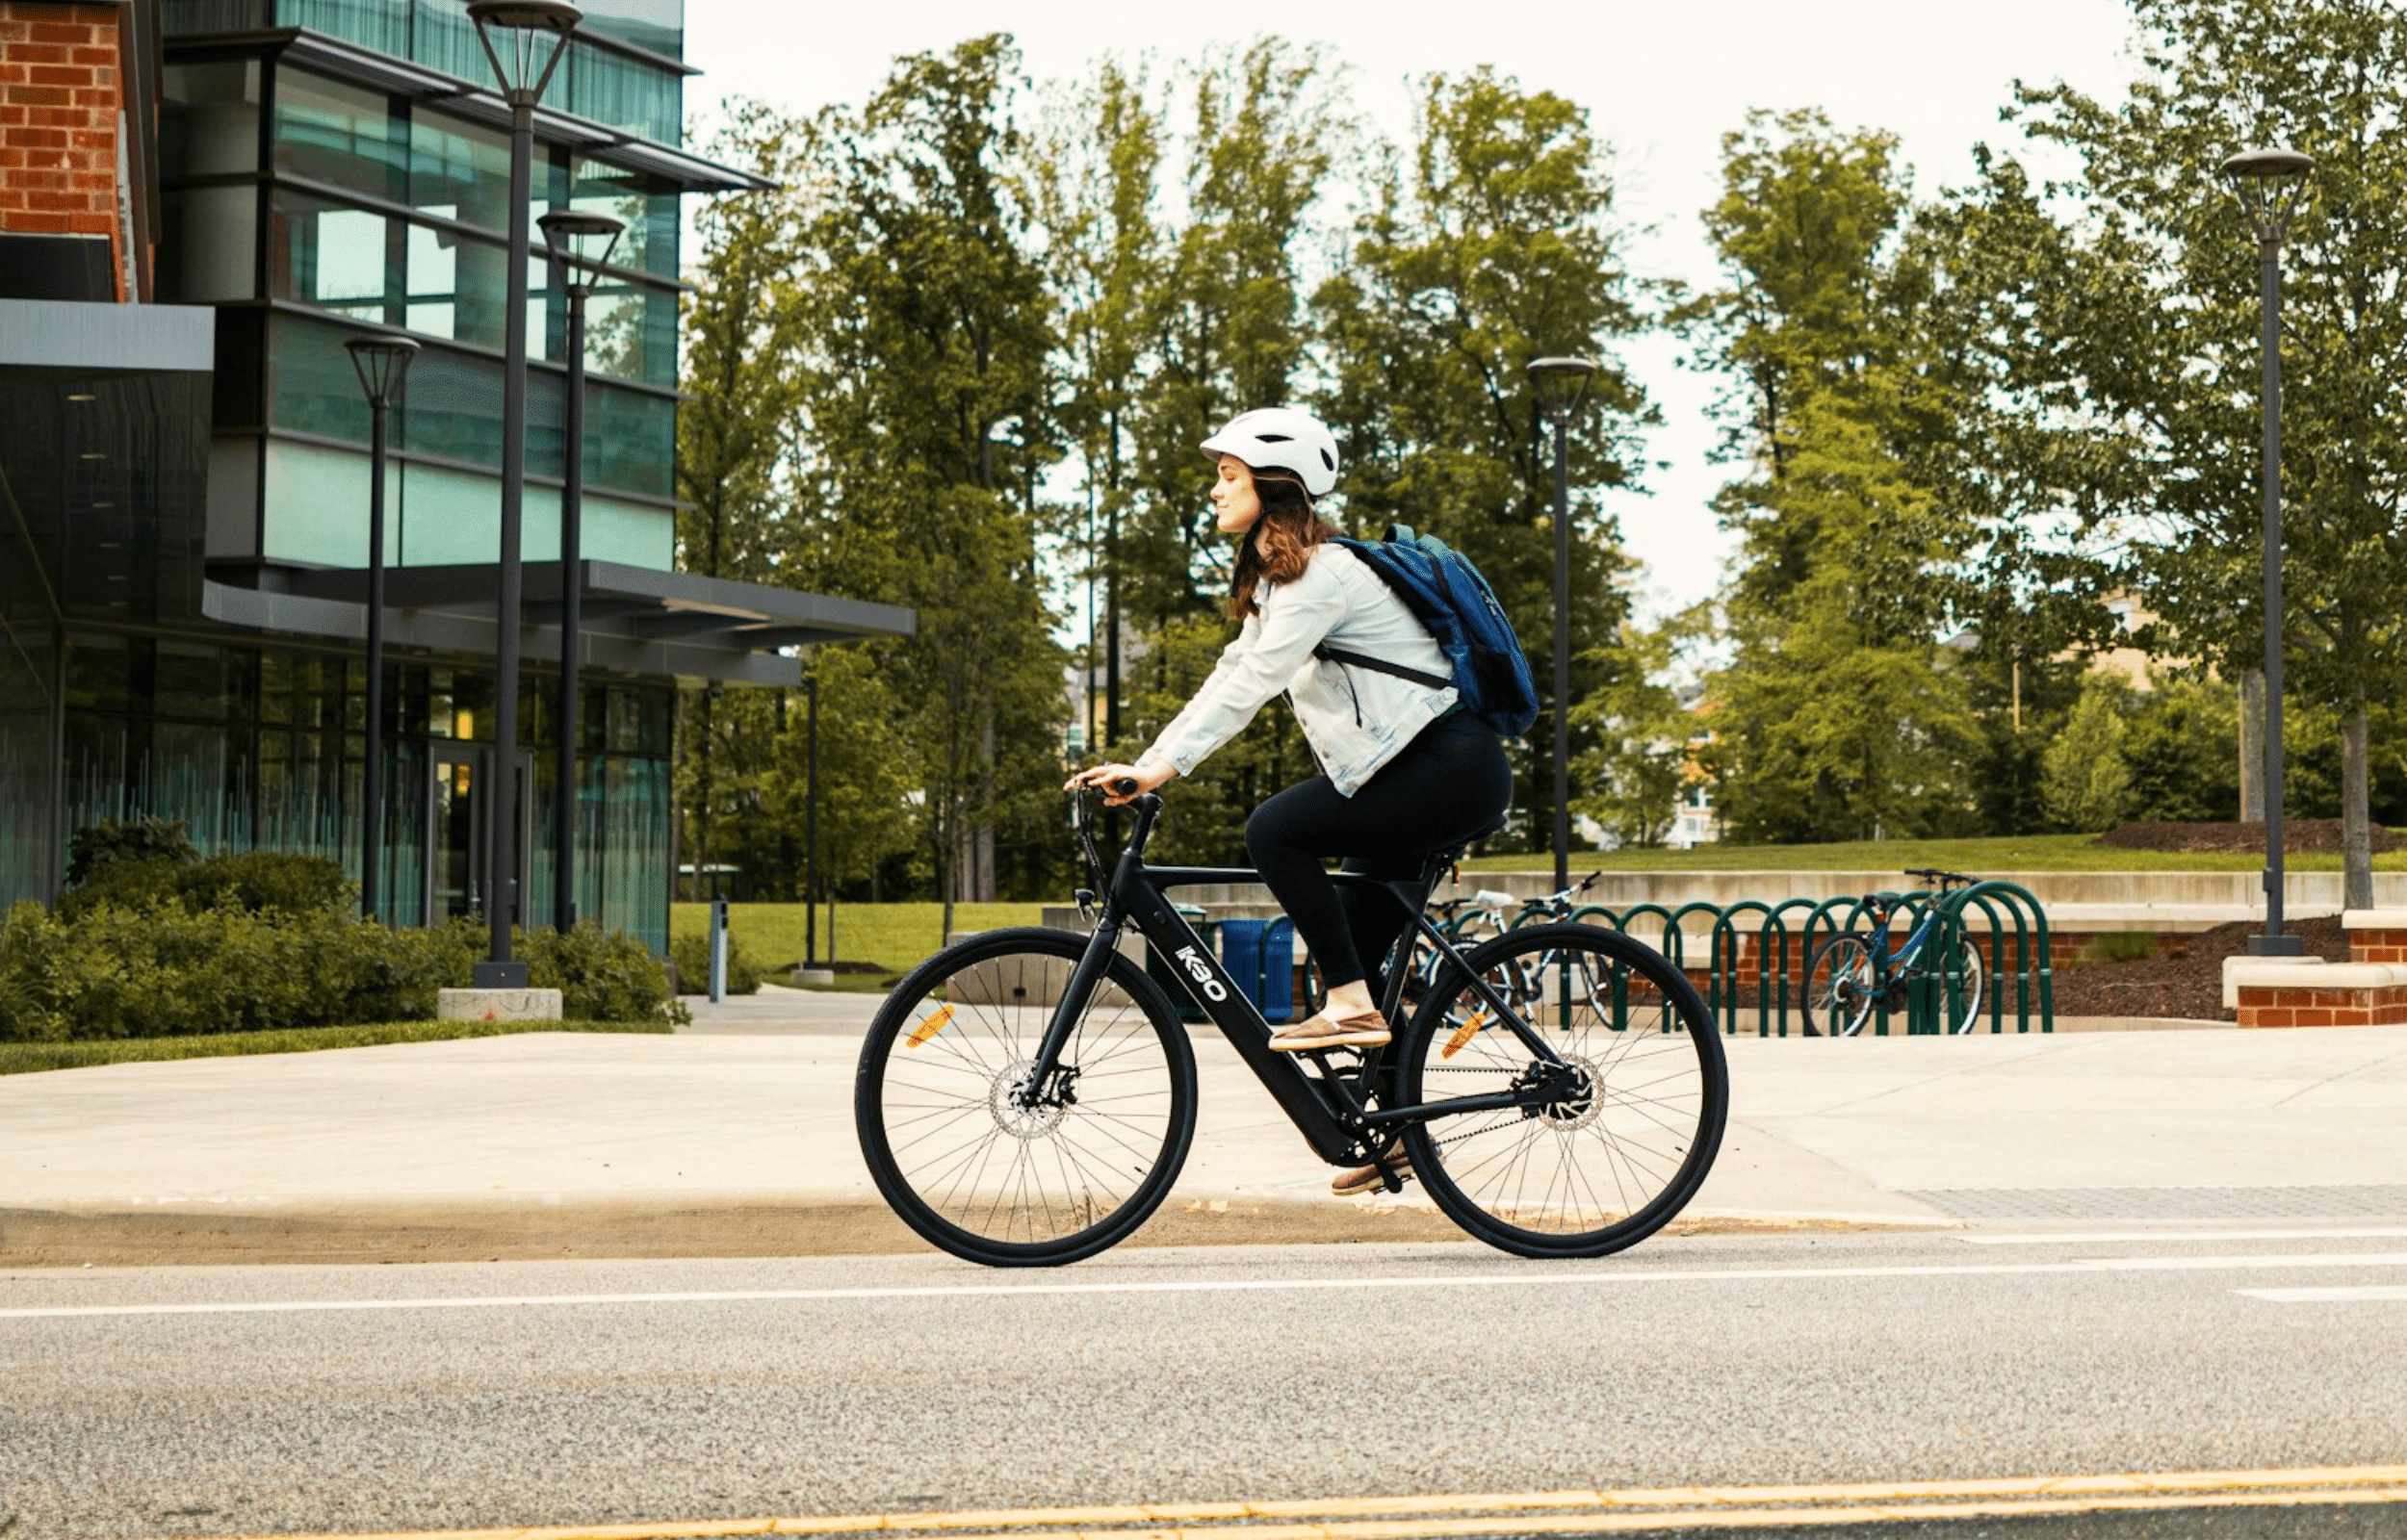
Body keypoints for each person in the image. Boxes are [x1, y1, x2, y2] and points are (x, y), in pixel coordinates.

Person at [1065, 406, 1514, 1193]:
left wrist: (1161, 769)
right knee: (1348, 966)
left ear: (1276, 486)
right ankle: (1396, 1133)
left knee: (1274, 832)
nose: (1213, 490)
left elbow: (1253, 684)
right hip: (1407, 774)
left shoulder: (1324, 575)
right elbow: (1229, 673)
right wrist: (1148, 761)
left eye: (1227, 476)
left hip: (1450, 767)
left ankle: (1356, 1013)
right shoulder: (1287, 582)